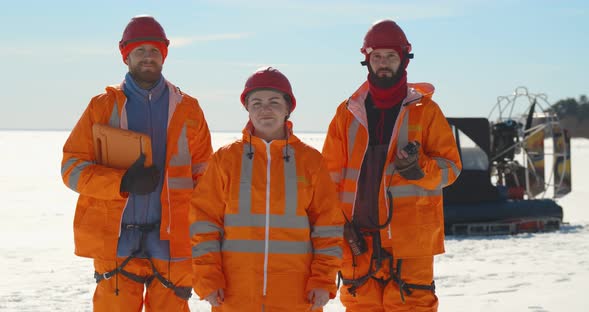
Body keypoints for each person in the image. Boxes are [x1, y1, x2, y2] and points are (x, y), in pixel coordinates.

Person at [61, 15, 212, 311]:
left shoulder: (189, 109)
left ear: (164, 56)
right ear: (126, 56)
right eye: (140, 50)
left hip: (174, 244)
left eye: (155, 51)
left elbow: (206, 178)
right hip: (116, 243)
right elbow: (71, 168)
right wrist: (122, 182)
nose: (148, 57)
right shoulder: (101, 108)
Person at [322, 19, 462, 311]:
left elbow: (451, 168)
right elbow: (328, 178)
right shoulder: (347, 113)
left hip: (411, 240)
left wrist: (419, 168)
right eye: (377, 57)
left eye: (390, 56)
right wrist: (335, 227)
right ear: (367, 60)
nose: (383, 63)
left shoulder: (427, 112)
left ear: (404, 59)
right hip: (357, 237)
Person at [189, 67, 344, 311]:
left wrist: (323, 279)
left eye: (274, 101)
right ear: (247, 109)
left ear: (287, 108)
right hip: (233, 295)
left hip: (296, 296)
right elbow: (204, 223)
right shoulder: (225, 160)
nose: (265, 109)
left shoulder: (311, 161)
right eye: (257, 103)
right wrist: (208, 277)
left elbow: (329, 227)